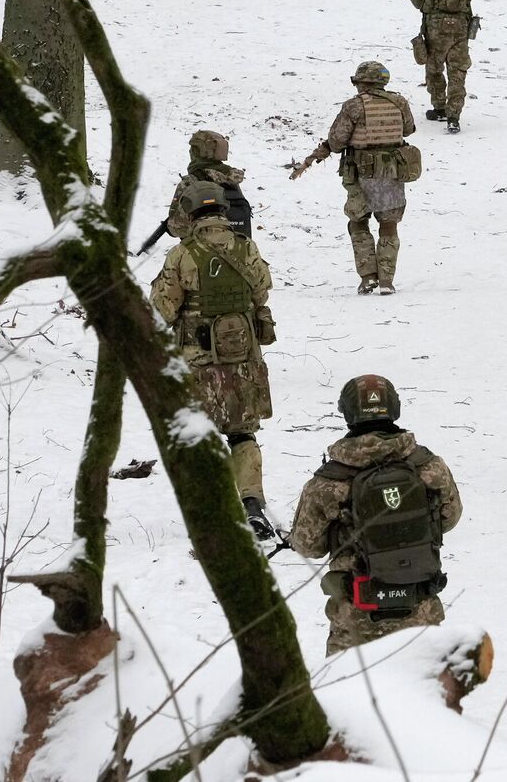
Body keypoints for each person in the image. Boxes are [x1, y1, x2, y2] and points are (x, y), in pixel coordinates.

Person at [290, 374, 464, 654]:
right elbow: (450, 517)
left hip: (356, 627)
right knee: (424, 695)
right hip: (422, 621)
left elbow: (308, 545)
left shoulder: (326, 484)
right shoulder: (429, 468)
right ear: (394, 408)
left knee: (348, 697)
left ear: (347, 413)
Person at [149, 181, 280, 538]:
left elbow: (162, 309)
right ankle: (252, 503)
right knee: (243, 434)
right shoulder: (246, 246)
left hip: (198, 362)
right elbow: (262, 289)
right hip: (244, 358)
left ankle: (211, 510)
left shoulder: (181, 255)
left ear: (189, 213)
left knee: (199, 435)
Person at [291, 61, 420, 294]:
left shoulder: (353, 106)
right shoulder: (399, 102)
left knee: (358, 223)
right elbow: (408, 130)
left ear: (362, 82)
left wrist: (315, 157)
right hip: (392, 174)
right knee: (389, 226)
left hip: (359, 175)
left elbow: (338, 141)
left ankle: (368, 276)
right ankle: (387, 281)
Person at [400, 0, 477, 133]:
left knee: (434, 69)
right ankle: (454, 116)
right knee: (458, 71)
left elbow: (418, 2)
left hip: (436, 28)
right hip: (460, 27)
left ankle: (439, 107)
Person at [167, 129, 253, 240]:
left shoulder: (191, 181)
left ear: (198, 152)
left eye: (193, 148)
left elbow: (176, 228)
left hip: (201, 251)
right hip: (236, 250)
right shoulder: (231, 179)